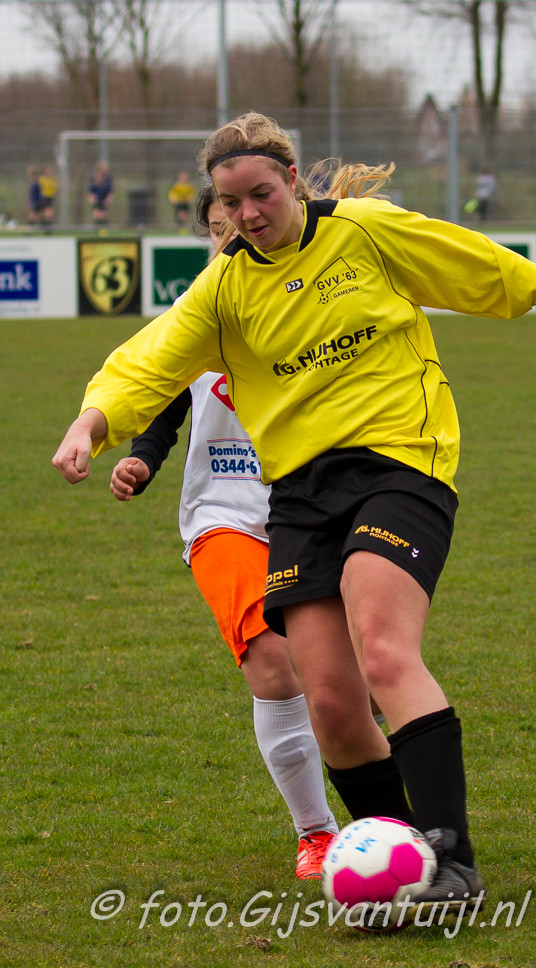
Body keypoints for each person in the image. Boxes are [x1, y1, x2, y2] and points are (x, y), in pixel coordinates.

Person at [53, 112, 536, 921]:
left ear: (292, 180)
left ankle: (451, 861)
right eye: (230, 203)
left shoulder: (363, 231)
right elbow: (148, 363)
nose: (247, 215)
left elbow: (475, 263)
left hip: (398, 462)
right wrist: (90, 423)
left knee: (382, 652)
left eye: (261, 194)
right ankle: (400, 861)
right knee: (333, 704)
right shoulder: (224, 287)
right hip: (300, 494)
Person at [109, 186, 338, 879]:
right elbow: (161, 405)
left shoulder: (315, 302)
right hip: (223, 515)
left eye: (236, 224)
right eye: (216, 229)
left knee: (341, 676)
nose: (229, 238)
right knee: (272, 662)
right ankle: (317, 834)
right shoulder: (194, 315)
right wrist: (141, 459)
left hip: (311, 508)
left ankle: (389, 812)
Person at [88, 161, 113, 226]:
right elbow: (90, 191)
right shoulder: (93, 177)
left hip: (104, 200)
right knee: (97, 214)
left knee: (104, 215)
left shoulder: (107, 178)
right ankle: (96, 228)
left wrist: (108, 199)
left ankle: (104, 228)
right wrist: (92, 198)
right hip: (96, 199)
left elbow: (110, 190)